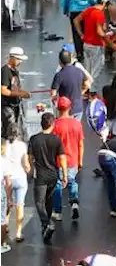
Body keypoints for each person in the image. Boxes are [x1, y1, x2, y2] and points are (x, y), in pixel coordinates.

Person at [27, 110, 66, 243]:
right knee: (49, 201)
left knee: (39, 202)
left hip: (41, 175)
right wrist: (65, 175)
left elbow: (30, 158)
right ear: (52, 124)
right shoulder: (56, 139)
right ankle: (45, 226)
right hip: (53, 174)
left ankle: (47, 222)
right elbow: (62, 158)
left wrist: (30, 172)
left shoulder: (34, 139)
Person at [49, 96, 84, 222]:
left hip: (59, 161)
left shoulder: (55, 125)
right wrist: (80, 160)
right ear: (70, 108)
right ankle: (74, 202)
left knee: (58, 184)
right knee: (72, 181)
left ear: (58, 109)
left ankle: (58, 211)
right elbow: (80, 144)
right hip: (73, 159)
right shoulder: (77, 123)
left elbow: (52, 145)